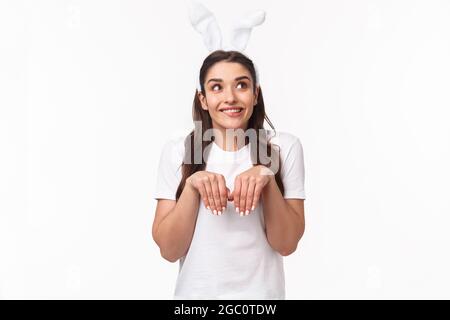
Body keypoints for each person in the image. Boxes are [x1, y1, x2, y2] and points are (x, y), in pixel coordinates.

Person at [152, 49, 307, 299]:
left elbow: (287, 244)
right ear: (202, 99)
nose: (230, 97)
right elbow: (170, 250)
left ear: (255, 94)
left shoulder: (284, 148)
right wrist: (192, 187)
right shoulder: (179, 150)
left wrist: (267, 180)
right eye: (216, 87)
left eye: (241, 85)